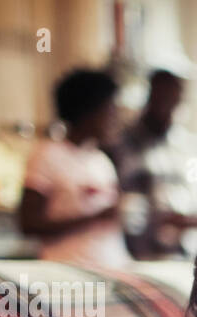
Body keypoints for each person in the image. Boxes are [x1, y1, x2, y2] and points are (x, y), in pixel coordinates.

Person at [19, 69, 131, 268]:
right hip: (68, 276)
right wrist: (94, 218)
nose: (116, 119)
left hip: (113, 270)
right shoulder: (46, 155)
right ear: (89, 110)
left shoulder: (102, 161)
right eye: (111, 110)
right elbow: (28, 224)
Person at [108, 66, 197, 260]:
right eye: (162, 96)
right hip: (139, 254)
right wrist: (162, 218)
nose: (168, 104)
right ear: (150, 95)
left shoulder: (189, 147)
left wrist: (196, 219)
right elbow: (121, 204)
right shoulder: (121, 145)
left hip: (185, 253)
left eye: (174, 98)